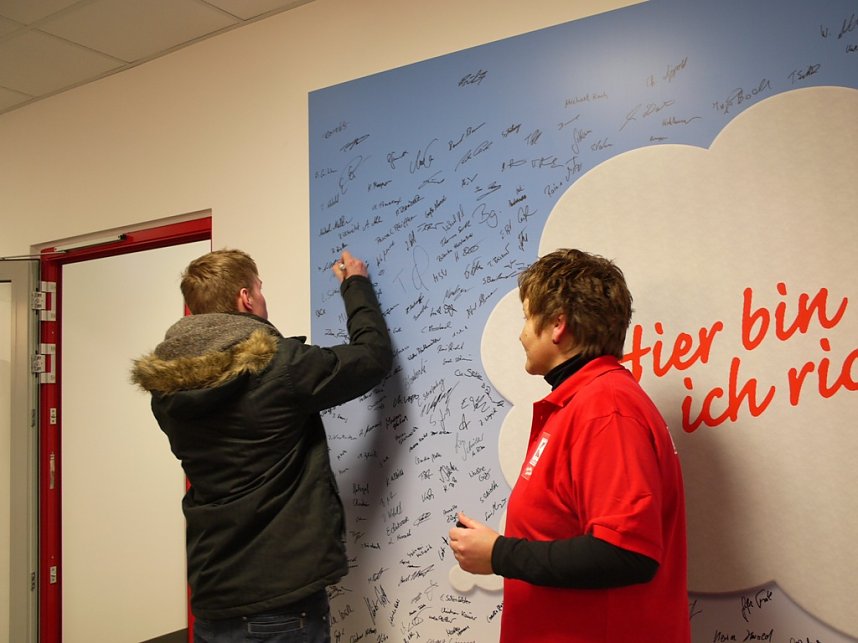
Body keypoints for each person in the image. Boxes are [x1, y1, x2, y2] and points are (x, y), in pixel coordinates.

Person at [131, 248, 392, 643]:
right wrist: (355, 286)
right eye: (259, 289)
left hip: (213, 597)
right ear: (245, 298)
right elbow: (371, 358)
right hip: (280, 605)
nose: (261, 298)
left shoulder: (168, 391)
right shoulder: (279, 368)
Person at [449, 249, 690, 642]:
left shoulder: (605, 408)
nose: (522, 334)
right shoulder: (584, 403)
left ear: (558, 325)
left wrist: (498, 554)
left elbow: (626, 552)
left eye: (528, 318)